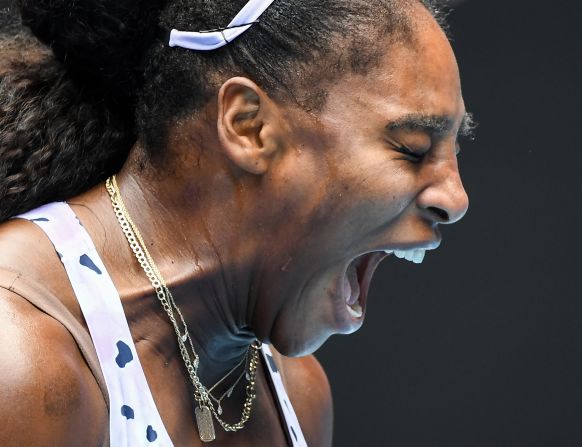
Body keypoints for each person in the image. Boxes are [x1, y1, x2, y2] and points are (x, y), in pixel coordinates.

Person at [0, 0, 471, 445]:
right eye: (412, 147)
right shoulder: (23, 361)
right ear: (249, 126)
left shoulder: (298, 393)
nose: (455, 199)